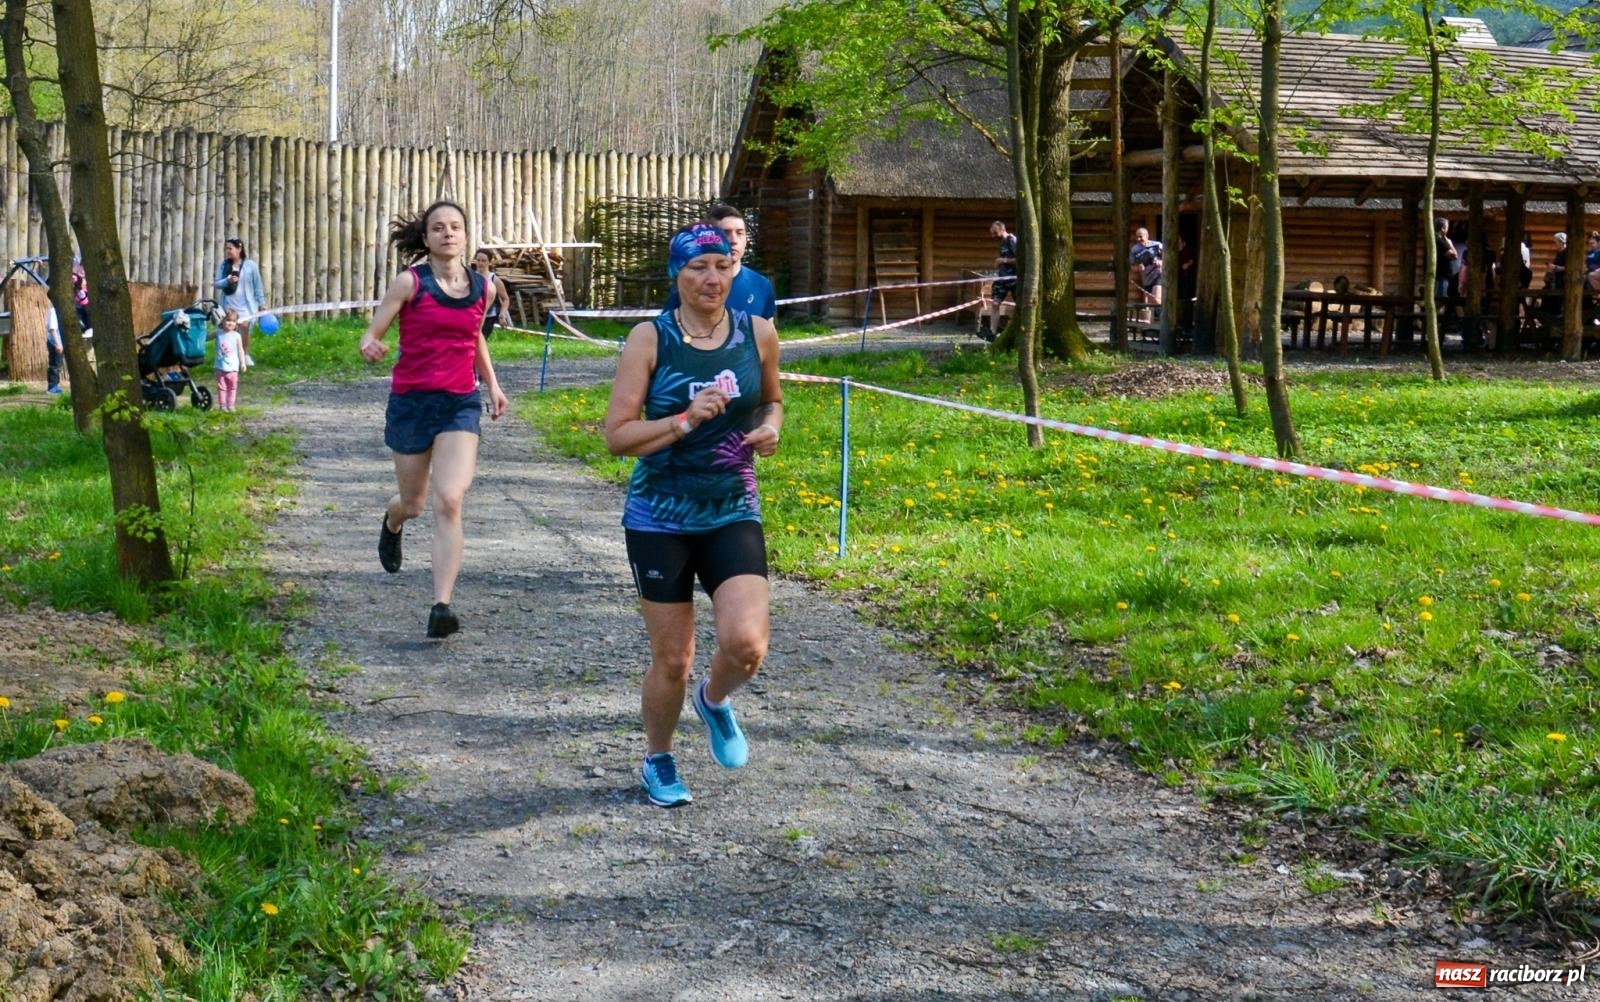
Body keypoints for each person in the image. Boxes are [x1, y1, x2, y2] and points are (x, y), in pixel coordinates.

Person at [604, 221, 783, 809]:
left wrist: (770, 429)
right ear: (676, 275)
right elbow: (618, 437)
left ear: (736, 270)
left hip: (732, 505)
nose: (712, 278)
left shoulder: (758, 332)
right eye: (697, 267)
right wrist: (683, 421)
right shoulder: (649, 339)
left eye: (722, 266)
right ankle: (659, 758)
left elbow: (774, 399)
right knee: (672, 658)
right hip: (660, 515)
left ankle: (714, 699)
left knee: (747, 644)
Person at [359, 200, 510, 640]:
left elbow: (474, 339)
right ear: (425, 238)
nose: (448, 233)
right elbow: (373, 330)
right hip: (411, 404)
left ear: (465, 235)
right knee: (415, 503)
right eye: (438, 228)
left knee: (450, 499)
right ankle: (393, 521)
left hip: (459, 403)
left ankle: (441, 605)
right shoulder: (409, 283)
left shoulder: (482, 287)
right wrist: (369, 343)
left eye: (456, 227)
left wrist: (493, 385)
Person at [664, 205, 777, 322]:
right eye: (725, 233)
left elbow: (768, 332)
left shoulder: (762, 285)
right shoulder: (692, 287)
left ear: (746, 240)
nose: (733, 240)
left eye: (739, 233)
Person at [214, 237, 266, 368]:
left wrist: (262, 303)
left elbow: (258, 286)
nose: (227, 251)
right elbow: (216, 283)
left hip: (246, 306)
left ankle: (245, 354)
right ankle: (228, 356)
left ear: (239, 249)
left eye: (230, 248)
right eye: (226, 248)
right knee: (228, 330)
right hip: (229, 305)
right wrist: (227, 281)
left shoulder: (251, 266)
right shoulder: (224, 265)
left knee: (244, 327)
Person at [980, 220, 1017, 341]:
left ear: (1002, 229)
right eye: (992, 234)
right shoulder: (1002, 242)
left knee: (1021, 305)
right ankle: (992, 333)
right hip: (1002, 279)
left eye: (995, 233)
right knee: (995, 303)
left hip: (1014, 279)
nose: (993, 236)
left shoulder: (1012, 240)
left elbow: (1020, 259)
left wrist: (1003, 260)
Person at [471, 248, 512, 339]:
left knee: (480, 341)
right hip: (473, 315)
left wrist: (502, 315)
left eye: (484, 261)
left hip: (488, 317)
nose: (480, 263)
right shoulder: (470, 277)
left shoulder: (494, 279)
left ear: (489, 262)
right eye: (478, 260)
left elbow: (505, 299)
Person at [212, 308, 244, 412]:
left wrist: (243, 363)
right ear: (223, 321)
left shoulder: (237, 336)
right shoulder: (218, 333)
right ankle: (223, 406)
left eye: (233, 321)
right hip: (220, 367)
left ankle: (231, 405)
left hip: (233, 368)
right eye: (228, 320)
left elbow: (240, 350)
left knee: (232, 388)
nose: (231, 323)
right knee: (222, 388)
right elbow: (205, 337)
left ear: (236, 323)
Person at [1130, 227, 1163, 322]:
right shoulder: (1135, 249)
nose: (1138, 239)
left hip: (1158, 275)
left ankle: (1164, 319)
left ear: (1147, 236)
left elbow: (1168, 257)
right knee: (1150, 303)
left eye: (1140, 237)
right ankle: (1152, 325)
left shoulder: (1158, 245)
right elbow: (1132, 266)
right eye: (1137, 237)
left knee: (1156, 299)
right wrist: (1138, 268)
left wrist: (1161, 262)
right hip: (1146, 278)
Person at [44, 305, 63, 395]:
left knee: (58, 365)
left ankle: (56, 385)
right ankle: (52, 387)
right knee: (55, 365)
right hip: (55, 342)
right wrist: (57, 343)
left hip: (60, 341)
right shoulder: (53, 311)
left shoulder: (61, 309)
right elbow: (52, 329)